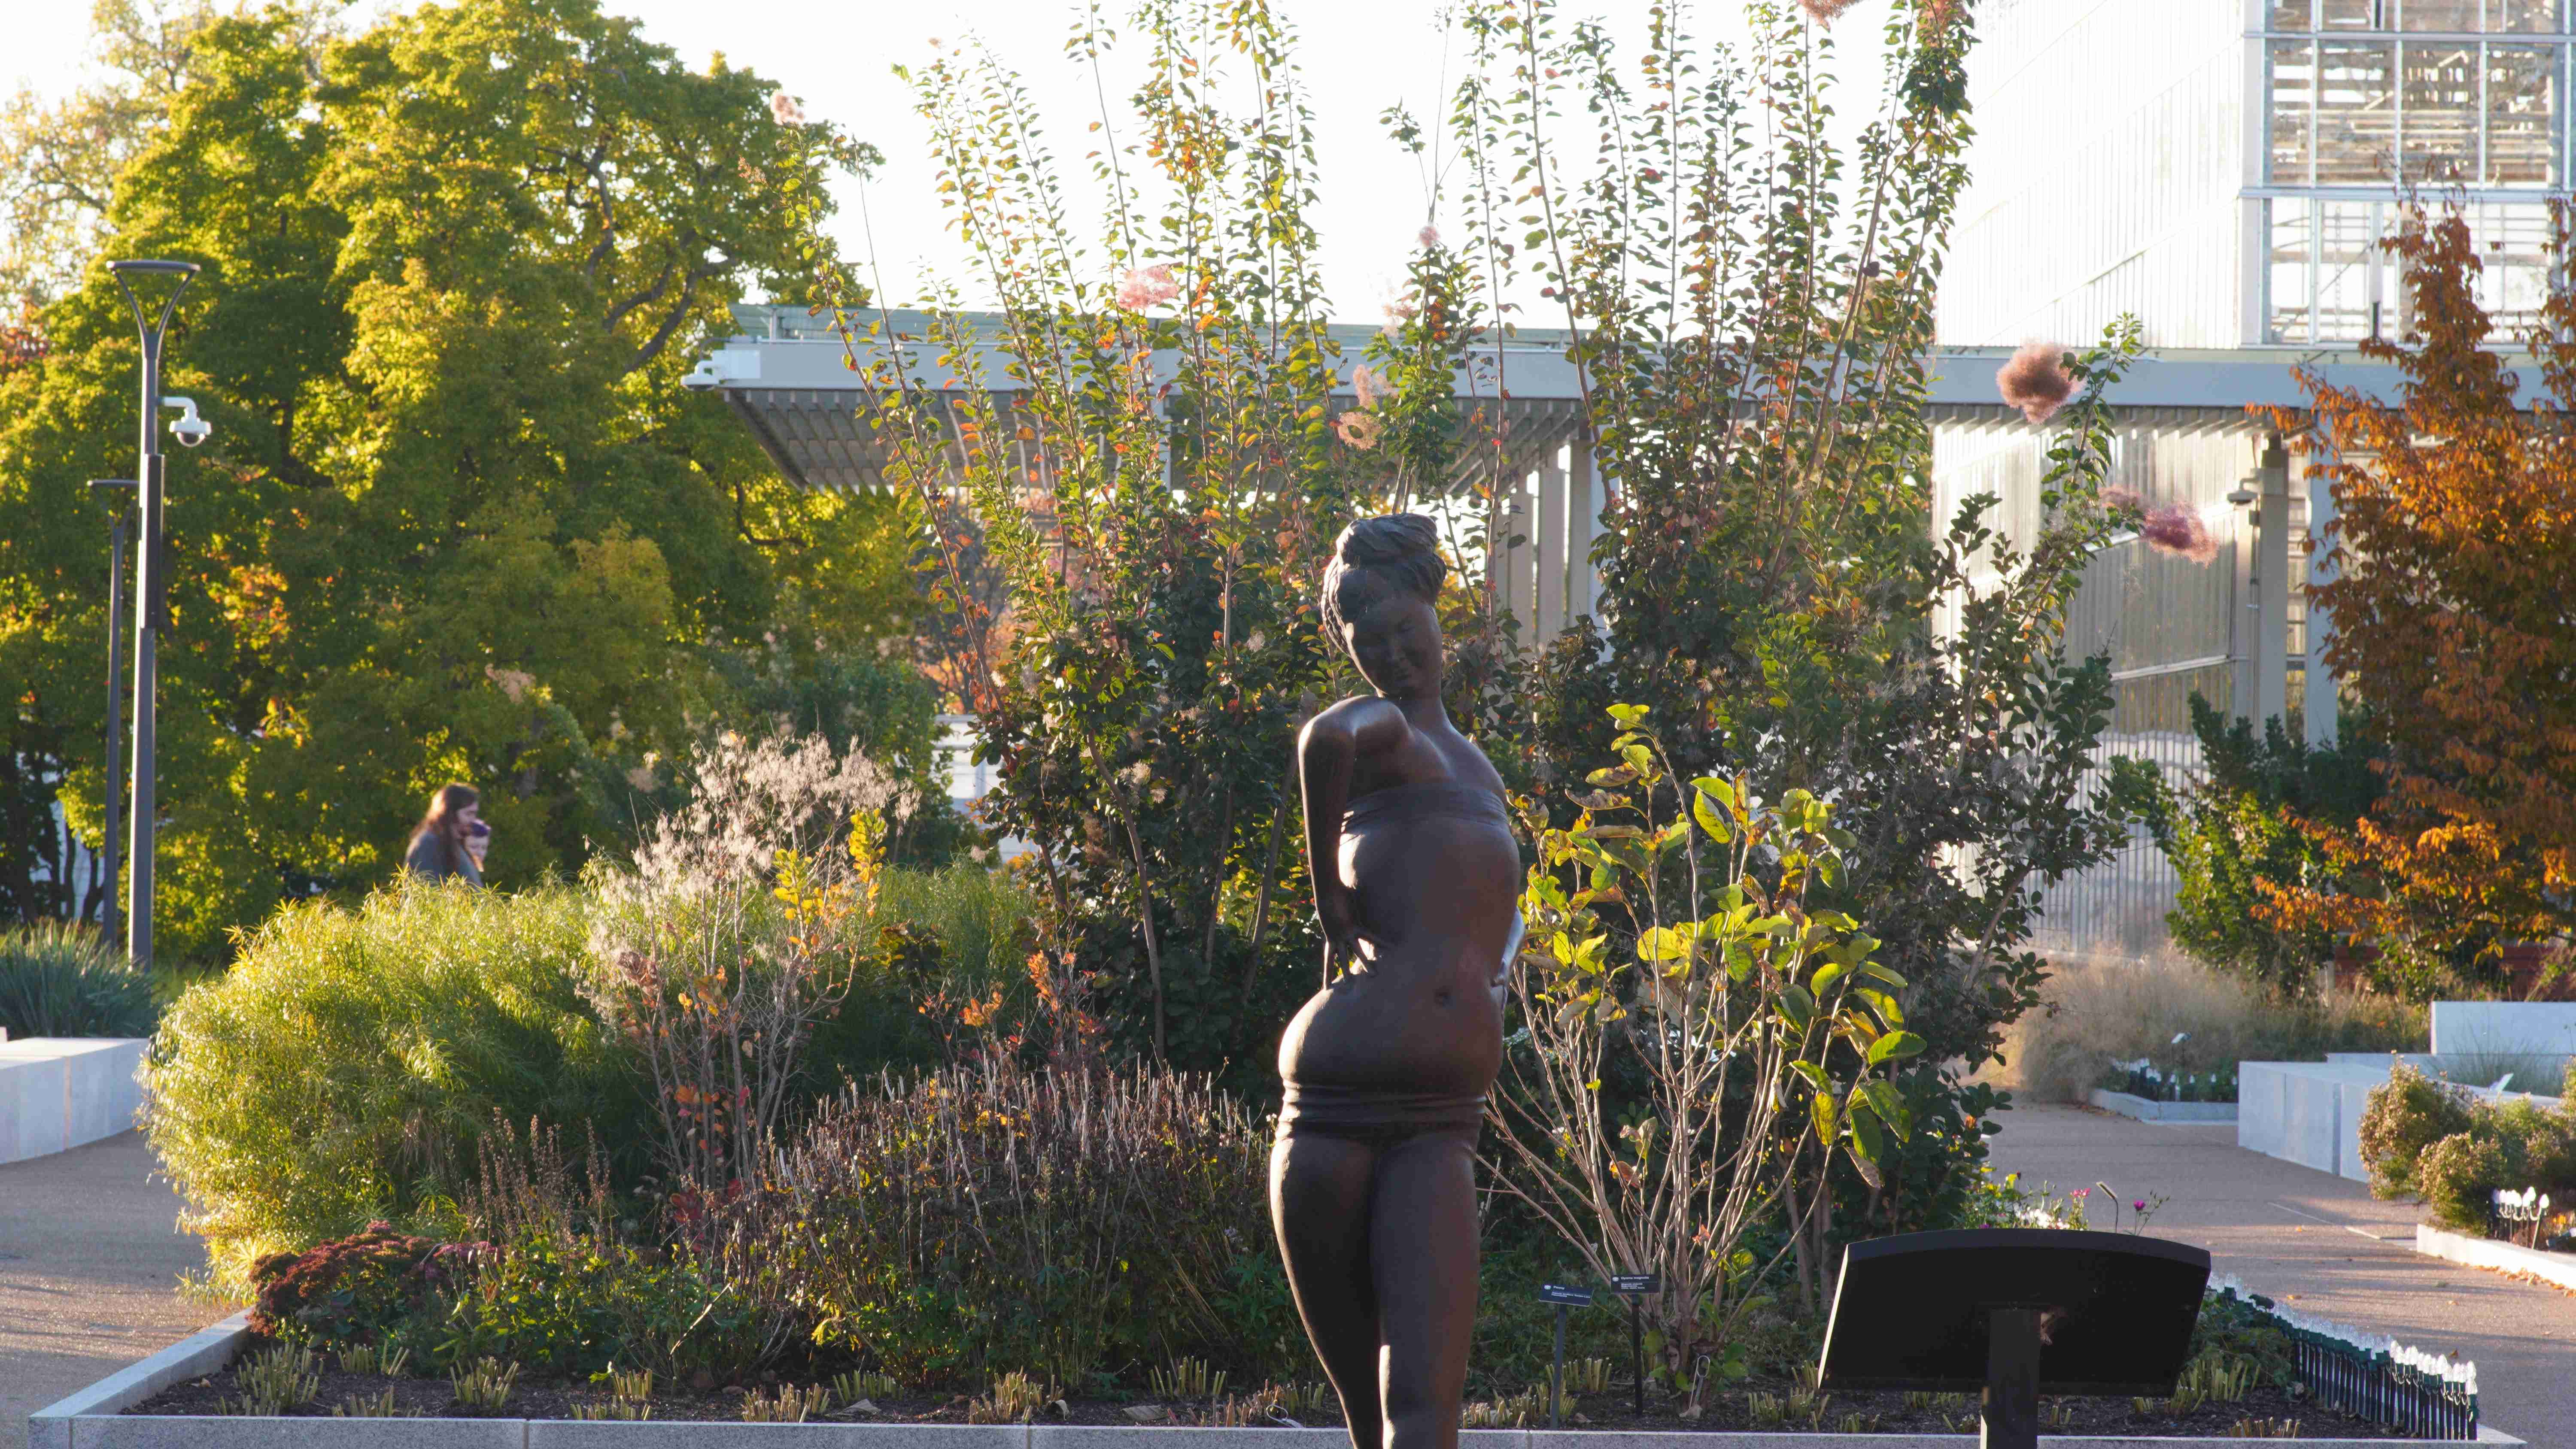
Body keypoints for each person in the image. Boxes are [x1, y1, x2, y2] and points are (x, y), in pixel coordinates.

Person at [1270, 515, 1522, 1449]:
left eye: (1404, 633)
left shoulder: (1472, 766)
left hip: (1439, 1114)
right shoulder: (1391, 735)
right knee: (1379, 1420)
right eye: (1366, 644)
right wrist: (1328, 898)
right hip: (1336, 1103)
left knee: (1422, 1406)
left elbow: (1479, 910)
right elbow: (1323, 737)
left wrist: (1499, 973)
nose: (1391, 657)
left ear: (1434, 612)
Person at [403, 782, 486, 886]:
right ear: (450, 813)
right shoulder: (429, 844)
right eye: (469, 814)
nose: (473, 820)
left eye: (474, 814)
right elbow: (429, 891)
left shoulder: (453, 845)